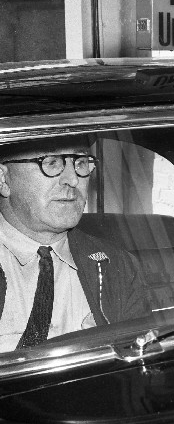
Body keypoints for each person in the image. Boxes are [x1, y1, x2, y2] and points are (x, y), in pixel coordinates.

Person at [0, 136, 148, 352]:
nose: (73, 179)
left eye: (80, 163)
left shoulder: (118, 264)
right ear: (3, 180)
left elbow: (136, 366)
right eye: (51, 162)